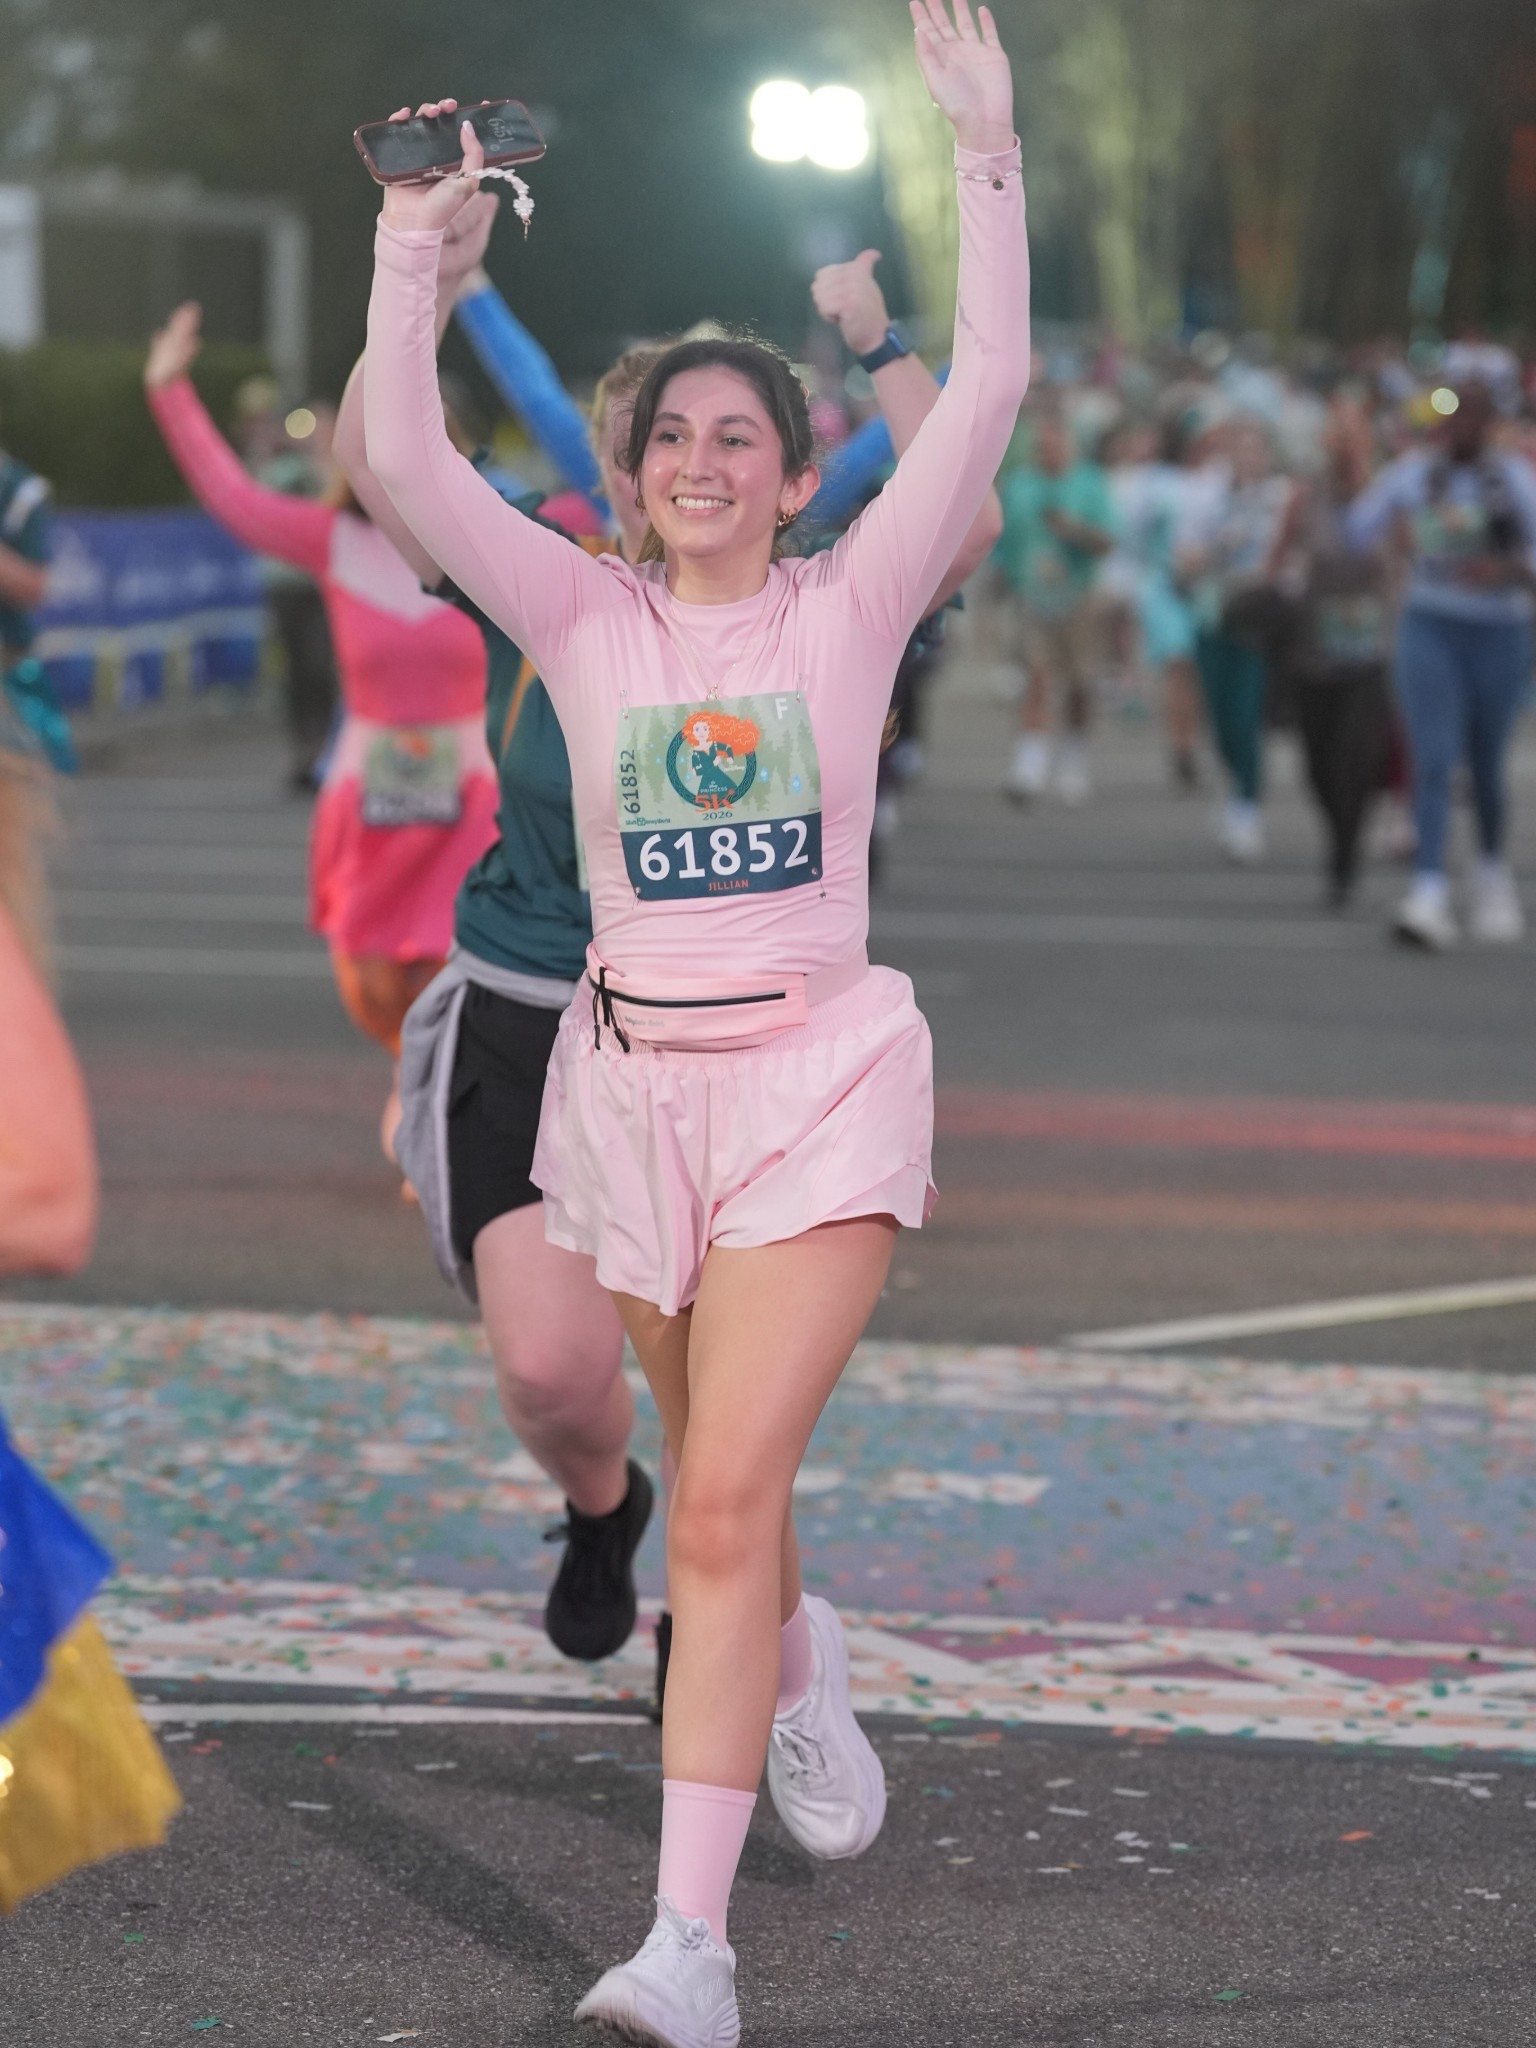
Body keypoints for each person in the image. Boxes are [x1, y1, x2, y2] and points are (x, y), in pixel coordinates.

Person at [363, 3, 1028, 2039]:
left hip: (816, 1088)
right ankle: (798, 1659)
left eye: (744, 436)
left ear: (793, 471)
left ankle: (686, 1945)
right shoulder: (580, 615)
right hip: (626, 1089)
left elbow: (991, 386)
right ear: (634, 481)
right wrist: (415, 243)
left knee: (722, 1496)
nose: (708, 464)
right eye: (675, 441)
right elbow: (400, 458)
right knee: (683, 1452)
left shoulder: (852, 603)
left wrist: (985, 157)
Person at [144, 305, 499, 1162]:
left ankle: (444, 1118)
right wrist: (168, 392)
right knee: (377, 988)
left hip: (470, 801)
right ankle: (418, 1086)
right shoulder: (331, 541)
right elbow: (232, 495)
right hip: (367, 798)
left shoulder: (496, 540)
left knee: (466, 974)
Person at [1346, 380, 1536, 948]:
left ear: (1489, 422)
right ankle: (1428, 887)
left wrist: (1505, 571)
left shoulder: (1513, 479)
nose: (1455, 428)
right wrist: (1391, 535)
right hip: (1430, 625)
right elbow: (1358, 530)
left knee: (1485, 762)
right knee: (1433, 758)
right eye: (1445, 417)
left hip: (1500, 630)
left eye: (1468, 417)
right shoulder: (1414, 474)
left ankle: (1491, 873)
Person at [1279, 395, 1395, 906]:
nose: (1344, 446)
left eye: (1354, 435)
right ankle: (1340, 833)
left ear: (1367, 442)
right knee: (1317, 766)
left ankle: (1344, 857)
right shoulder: (1306, 498)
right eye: (1336, 435)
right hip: (1313, 649)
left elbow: (1415, 555)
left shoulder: (1392, 496)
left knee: (1358, 761)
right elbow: (1279, 560)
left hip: (1373, 652)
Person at [1181, 417, 1299, 862]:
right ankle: (1234, 785)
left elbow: (1290, 557)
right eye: (1239, 449)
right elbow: (1186, 556)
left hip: (1257, 623)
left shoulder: (1281, 496)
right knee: (1220, 717)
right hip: (1213, 614)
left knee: (1247, 716)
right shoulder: (1207, 495)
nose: (1247, 458)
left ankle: (1247, 808)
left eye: (1255, 449)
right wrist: (1214, 550)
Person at [995, 400, 1114, 804]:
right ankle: (1030, 762)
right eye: (1041, 444)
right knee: (1037, 673)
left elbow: (1107, 541)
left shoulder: (1090, 483)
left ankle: (1074, 753)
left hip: (1078, 596)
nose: (1047, 450)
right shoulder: (1020, 485)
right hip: (1033, 596)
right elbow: (1002, 538)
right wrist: (1000, 577)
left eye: (1054, 443)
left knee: (1081, 681)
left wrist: (1072, 530)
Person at [233, 376, 342, 791]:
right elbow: (249, 500)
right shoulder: (274, 467)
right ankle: (304, 749)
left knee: (320, 667)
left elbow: (331, 501)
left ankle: (325, 747)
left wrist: (319, 454)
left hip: (320, 583)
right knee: (295, 672)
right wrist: (261, 447)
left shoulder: (324, 468)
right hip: (282, 583)